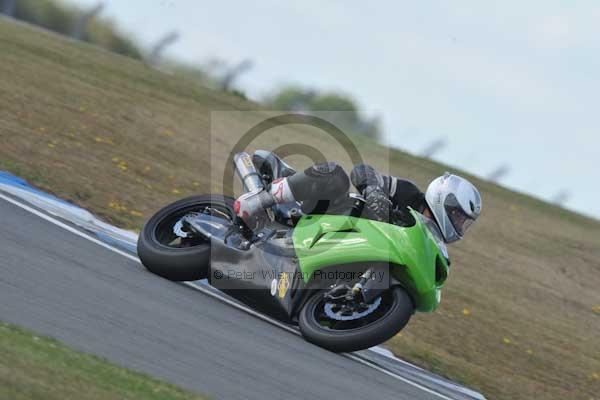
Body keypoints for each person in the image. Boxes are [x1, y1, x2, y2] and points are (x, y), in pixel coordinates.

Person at [234, 151, 482, 243]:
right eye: (459, 216)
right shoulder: (409, 194)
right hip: (327, 213)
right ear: (444, 201)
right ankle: (258, 201)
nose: (459, 224)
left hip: (347, 243)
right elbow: (362, 172)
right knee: (336, 175)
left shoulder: (425, 241)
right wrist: (373, 191)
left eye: (463, 222)